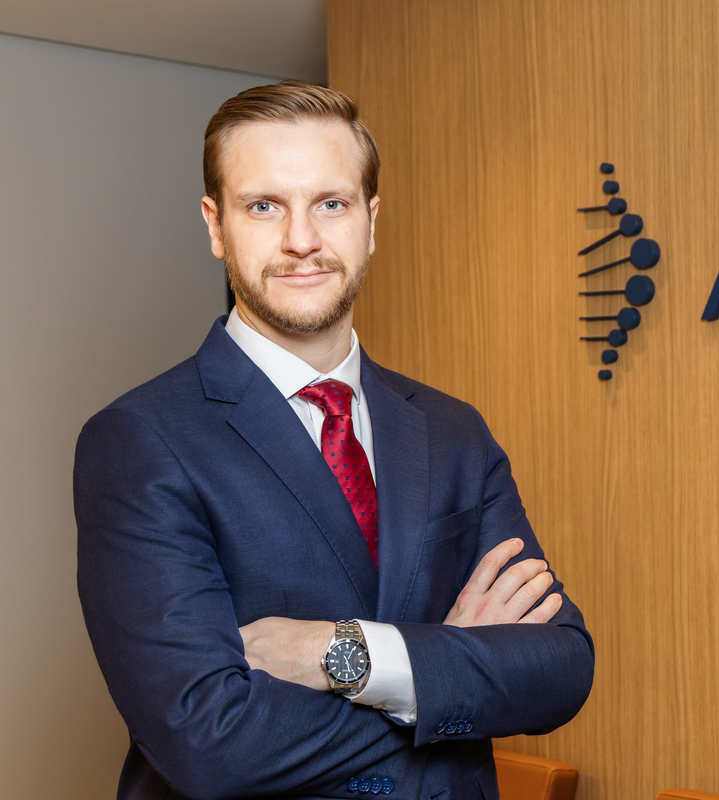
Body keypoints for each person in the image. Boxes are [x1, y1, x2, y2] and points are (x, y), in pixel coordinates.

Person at [74, 82, 593, 800]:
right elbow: (208, 744)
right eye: (264, 206)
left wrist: (344, 653)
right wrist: (447, 668)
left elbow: (561, 668)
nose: (301, 240)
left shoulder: (452, 431)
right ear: (216, 225)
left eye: (331, 204)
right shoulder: (139, 441)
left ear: (370, 221)